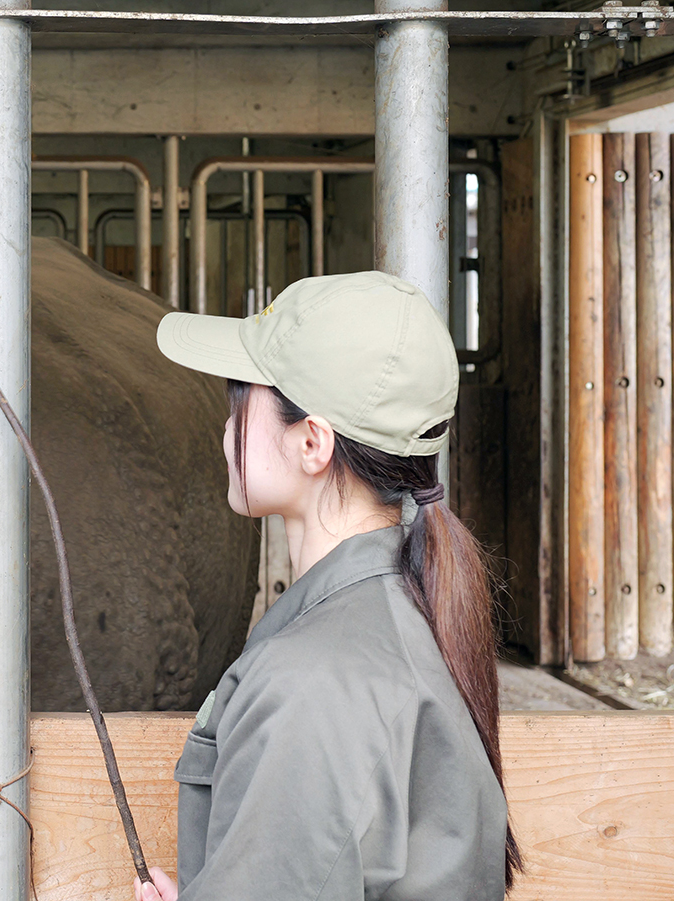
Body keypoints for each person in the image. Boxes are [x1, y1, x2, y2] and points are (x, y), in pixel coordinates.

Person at [134, 271, 521, 901]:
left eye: (241, 401)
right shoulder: (405, 612)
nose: (225, 430)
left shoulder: (311, 685)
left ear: (312, 442)